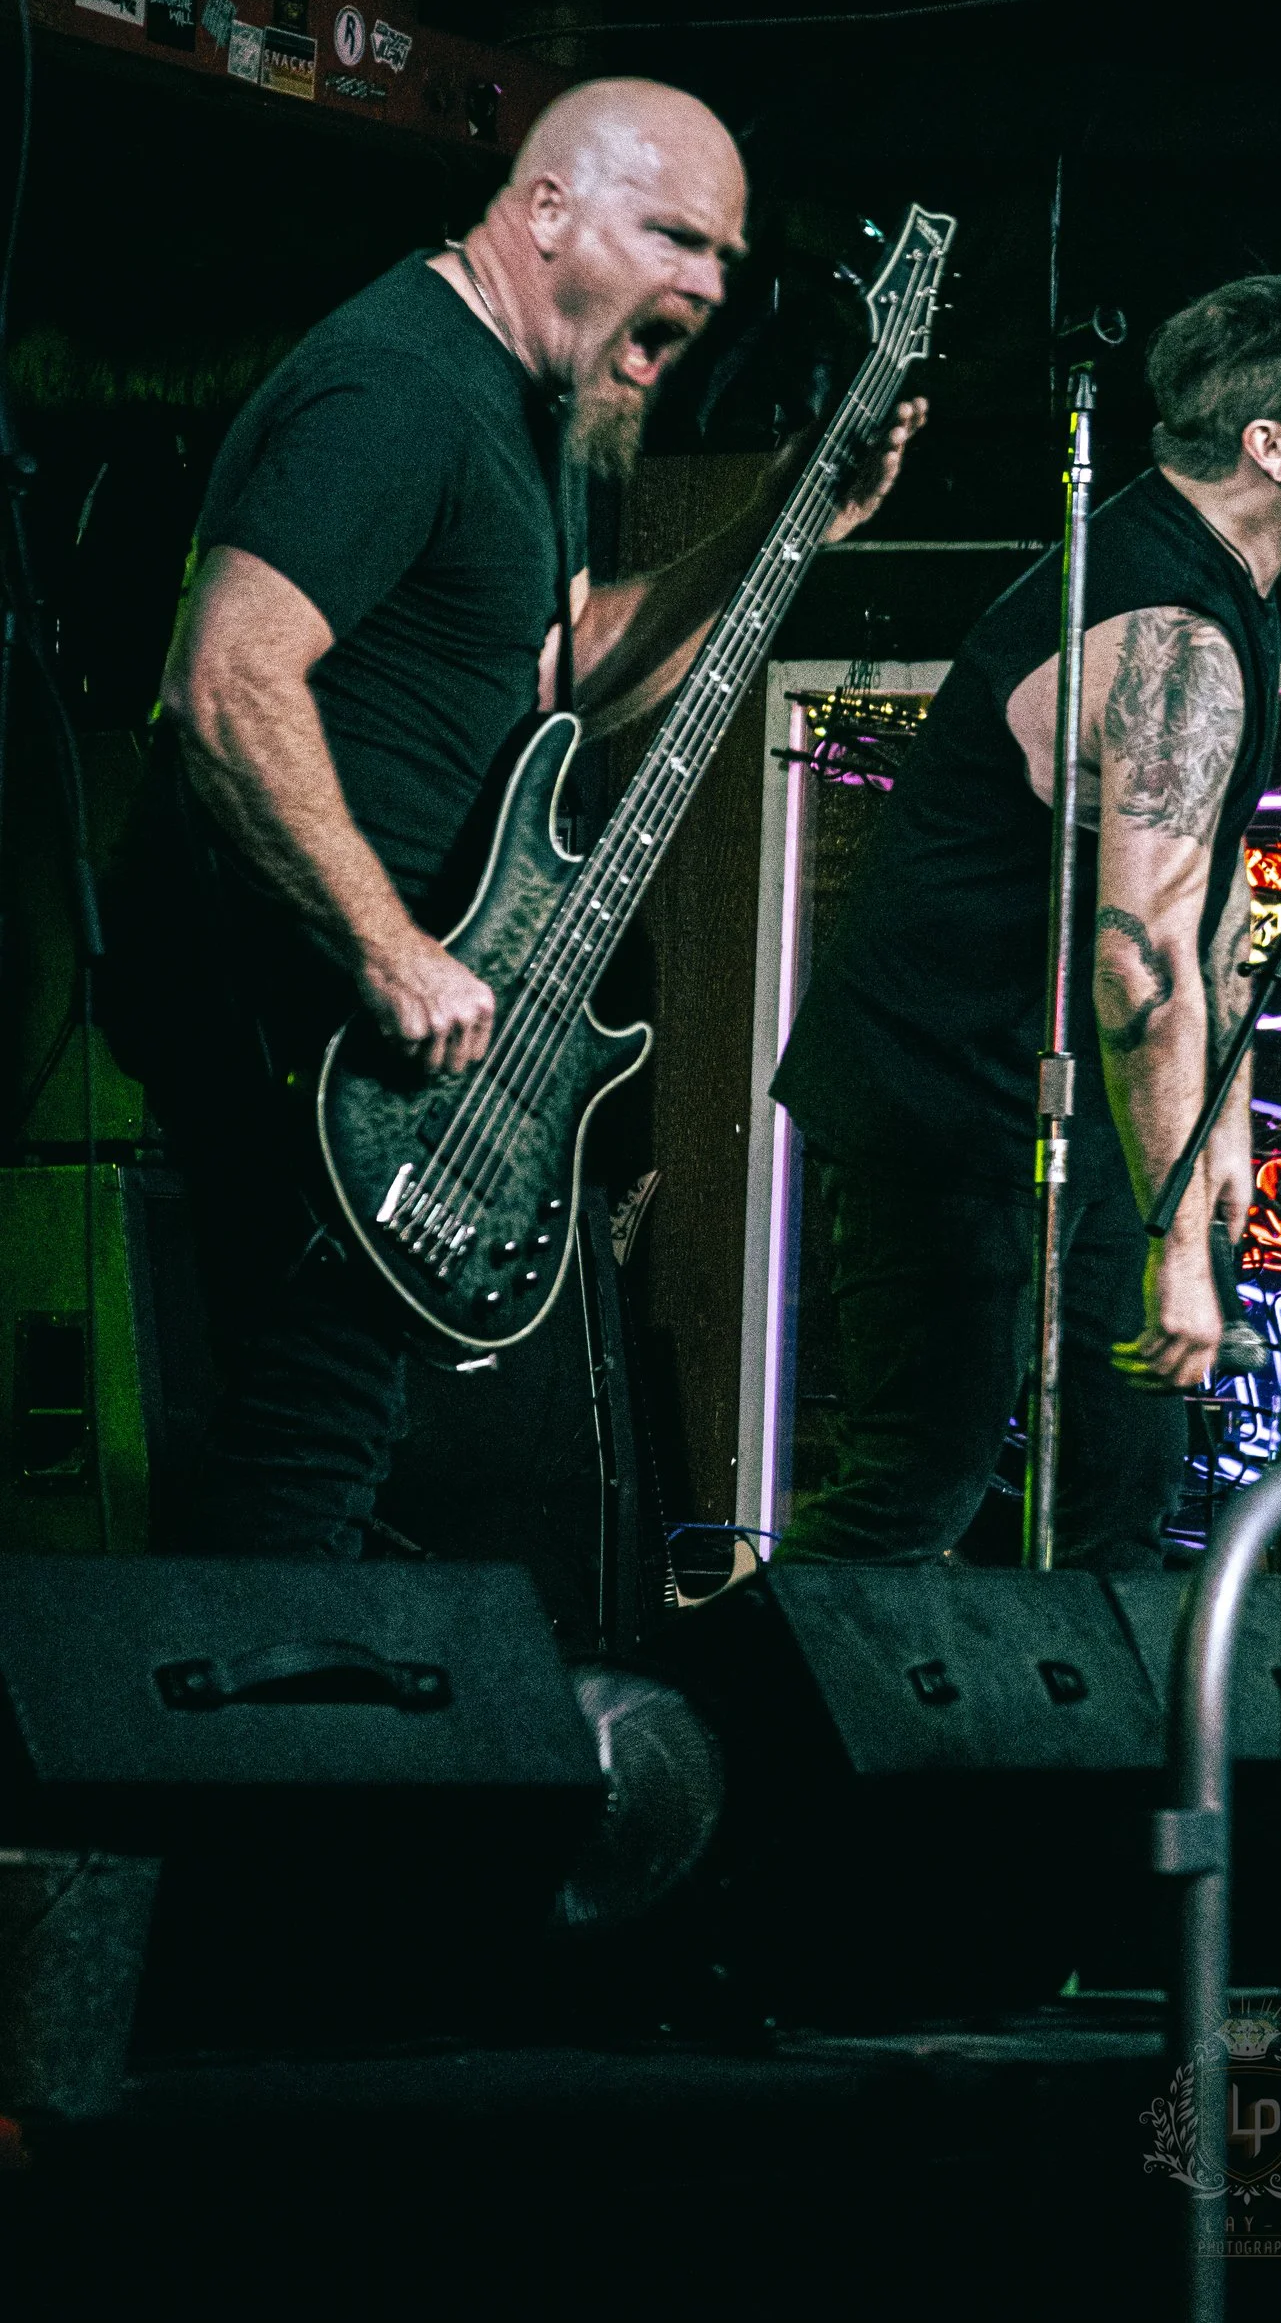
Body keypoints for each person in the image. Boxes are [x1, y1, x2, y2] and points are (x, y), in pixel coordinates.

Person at [103, 76, 921, 1558]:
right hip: (312, 1004)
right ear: (545, 212)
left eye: (725, 259)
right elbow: (225, 675)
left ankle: (280, 1747)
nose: (707, 285)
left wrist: (784, 516)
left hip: (392, 1018)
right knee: (308, 1441)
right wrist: (388, 944)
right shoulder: (401, 386)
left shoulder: (523, 414)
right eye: (676, 235)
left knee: (328, 1439)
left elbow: (557, 672)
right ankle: (245, 1768)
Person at [771, 274, 1281, 1573]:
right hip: (947, 1107)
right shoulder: (1172, 629)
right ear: (1269, 447)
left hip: (1065, 1114)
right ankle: (710, 1752)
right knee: (916, 1485)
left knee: (1119, 1482)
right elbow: (1138, 959)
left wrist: (1217, 1124)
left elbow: (1213, 890)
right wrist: (1182, 1235)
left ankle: (1073, 1774)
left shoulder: (1224, 585)